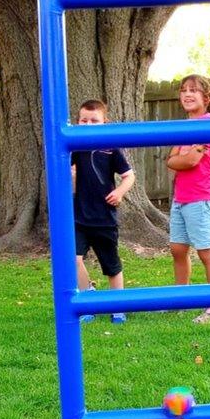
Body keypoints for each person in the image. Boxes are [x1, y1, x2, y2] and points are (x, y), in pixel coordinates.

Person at [167, 74, 210, 323]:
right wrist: (183, 157)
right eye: (183, 90)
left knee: (206, 252)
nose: (187, 94)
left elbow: (190, 161)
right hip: (181, 197)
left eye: (193, 90)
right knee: (178, 249)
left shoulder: (209, 125)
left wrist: (184, 157)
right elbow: (171, 161)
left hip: (201, 197)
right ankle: (182, 300)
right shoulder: (184, 127)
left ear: (207, 98)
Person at [72, 100, 135, 324]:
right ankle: (87, 297)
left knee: (111, 266)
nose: (88, 125)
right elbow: (68, 176)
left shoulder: (110, 148)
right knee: (73, 259)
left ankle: (118, 306)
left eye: (94, 121)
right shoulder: (73, 147)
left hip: (104, 219)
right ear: (77, 122)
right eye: (84, 120)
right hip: (79, 218)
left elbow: (129, 176)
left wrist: (119, 192)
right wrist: (71, 178)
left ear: (104, 123)